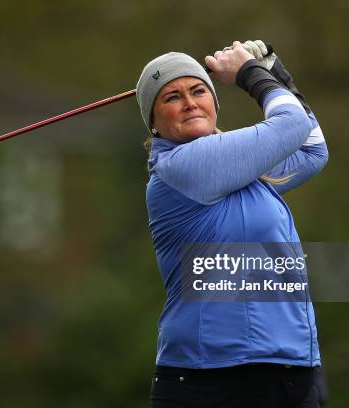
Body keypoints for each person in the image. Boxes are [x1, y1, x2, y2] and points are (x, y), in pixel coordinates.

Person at [136, 40, 329, 407]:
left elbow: (311, 148)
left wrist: (275, 72)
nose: (190, 102)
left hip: (290, 372)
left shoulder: (241, 168)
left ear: (213, 102)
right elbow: (291, 125)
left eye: (197, 90)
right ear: (155, 122)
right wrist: (250, 74)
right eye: (172, 97)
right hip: (214, 380)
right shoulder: (181, 168)